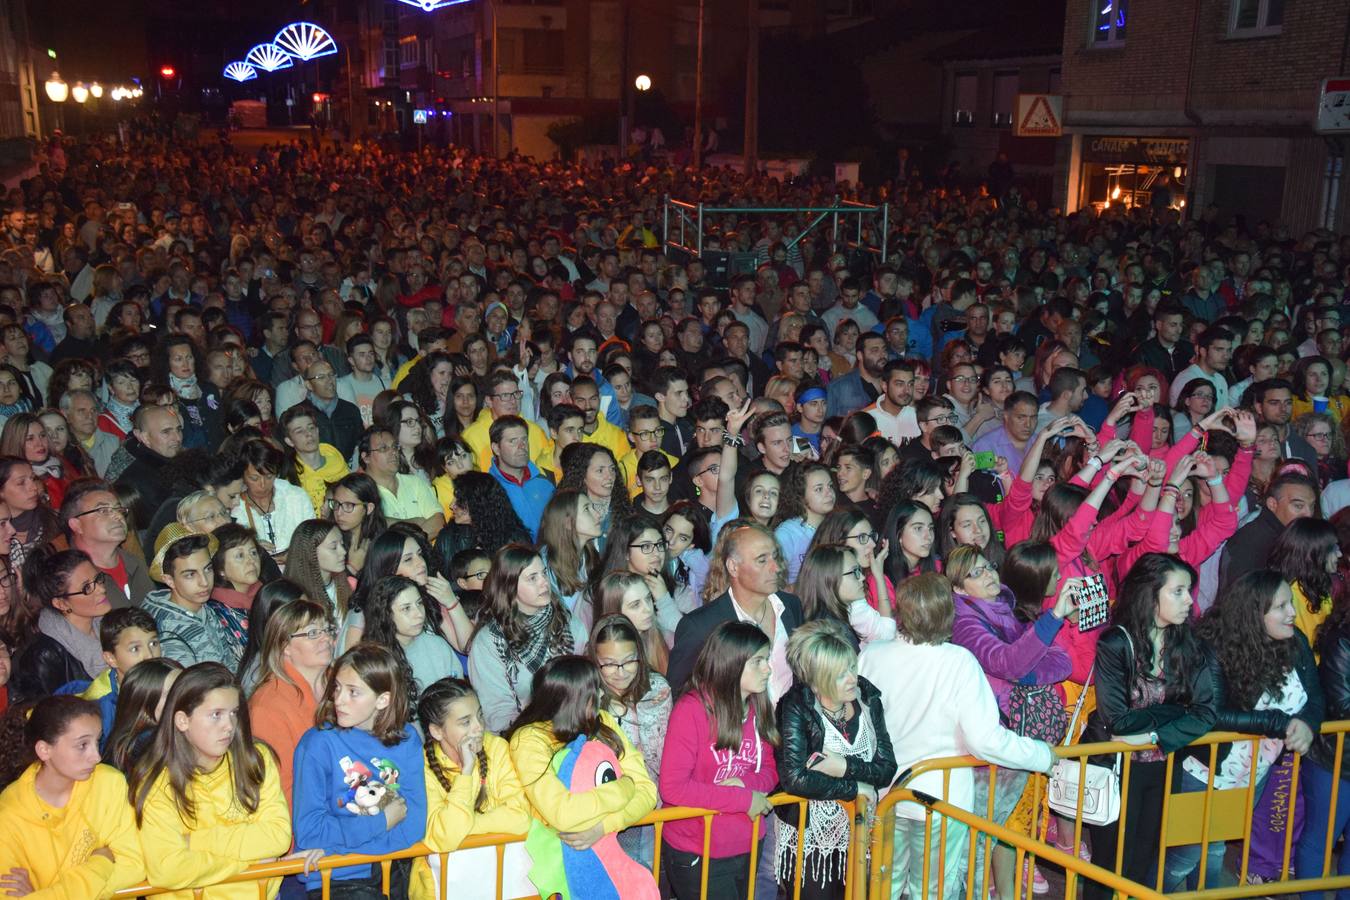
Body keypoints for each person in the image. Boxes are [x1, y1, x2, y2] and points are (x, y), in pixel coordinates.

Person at [859, 573, 1056, 900]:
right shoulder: (959, 662)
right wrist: (1042, 755)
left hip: (886, 793)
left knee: (884, 886)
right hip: (940, 800)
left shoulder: (871, 655)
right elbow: (985, 740)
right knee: (934, 890)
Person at [1166, 570, 1322, 891]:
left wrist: (1307, 723)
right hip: (1204, 770)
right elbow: (1213, 714)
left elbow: (1316, 696)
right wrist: (1277, 723)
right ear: (1254, 614)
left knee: (1216, 848)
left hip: (1254, 773)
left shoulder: (1297, 643)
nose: (1292, 613)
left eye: (1289, 604)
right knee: (1185, 857)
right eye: (1281, 607)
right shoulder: (1214, 648)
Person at [1083, 554, 1218, 898]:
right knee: (1108, 866)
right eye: (1178, 591)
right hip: (1117, 768)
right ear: (1150, 594)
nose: (1189, 600)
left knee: (1145, 861)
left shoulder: (1190, 644)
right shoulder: (1117, 642)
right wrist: (1177, 712)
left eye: (1189, 591)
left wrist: (1156, 734)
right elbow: (1118, 720)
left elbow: (1206, 712)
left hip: (1163, 763)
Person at [128, 662, 293, 900]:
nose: (229, 726)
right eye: (216, 715)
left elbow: (278, 837)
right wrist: (245, 866)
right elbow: (167, 869)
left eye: (233, 713)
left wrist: (195, 841)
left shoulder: (254, 759)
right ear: (182, 721)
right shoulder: (155, 781)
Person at [292, 643, 428, 897]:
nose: (339, 699)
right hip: (339, 876)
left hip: (394, 866)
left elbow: (414, 825)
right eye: (337, 688)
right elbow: (310, 832)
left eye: (353, 692)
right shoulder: (317, 744)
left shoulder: (407, 738)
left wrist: (336, 845)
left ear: (383, 700)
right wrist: (382, 821)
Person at [774, 619, 897, 900]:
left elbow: (887, 768)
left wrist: (841, 766)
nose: (853, 678)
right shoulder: (795, 705)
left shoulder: (868, 697)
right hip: (809, 838)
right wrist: (856, 788)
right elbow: (795, 779)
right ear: (817, 680)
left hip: (859, 831)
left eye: (853, 667)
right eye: (841, 674)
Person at [507, 655, 658, 879]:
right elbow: (563, 813)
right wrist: (625, 787)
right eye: (592, 692)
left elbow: (647, 791)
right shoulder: (529, 739)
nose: (601, 695)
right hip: (557, 868)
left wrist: (604, 826)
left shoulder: (603, 722)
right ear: (571, 700)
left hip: (611, 857)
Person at [659, 621, 780, 899]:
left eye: (767, 659)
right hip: (698, 850)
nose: (768, 669)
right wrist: (743, 798)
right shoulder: (691, 710)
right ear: (732, 664)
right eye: (758, 661)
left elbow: (771, 771)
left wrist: (745, 783)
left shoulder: (758, 705)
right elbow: (673, 787)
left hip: (748, 843)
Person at [0, 695, 146, 898]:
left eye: (97, 741)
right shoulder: (9, 812)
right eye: (82, 745)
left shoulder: (109, 783)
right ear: (44, 750)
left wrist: (45, 895)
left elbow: (134, 865)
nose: (96, 756)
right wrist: (101, 862)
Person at [414, 677, 533, 900]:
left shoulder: (496, 747)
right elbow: (446, 836)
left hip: (505, 884)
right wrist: (466, 771)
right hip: (445, 888)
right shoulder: (420, 766)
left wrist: (468, 825)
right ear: (437, 731)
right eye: (465, 722)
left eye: (479, 715)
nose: (479, 727)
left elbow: (520, 818)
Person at [667, 522, 805, 696]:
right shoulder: (700, 627)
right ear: (733, 567)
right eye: (762, 560)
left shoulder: (791, 606)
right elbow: (681, 698)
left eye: (775, 557)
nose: (775, 568)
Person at [468, 544, 589, 731]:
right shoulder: (490, 642)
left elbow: (586, 678)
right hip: (524, 735)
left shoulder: (566, 621)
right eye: (532, 578)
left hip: (576, 722)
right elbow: (498, 712)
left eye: (544, 573)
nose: (544, 582)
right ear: (509, 586)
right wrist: (544, 731)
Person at [246, 599, 335, 803]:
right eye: (313, 633)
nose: (326, 639)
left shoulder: (341, 682)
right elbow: (283, 792)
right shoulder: (266, 708)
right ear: (285, 646)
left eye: (327, 629)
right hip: (310, 820)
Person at [10, 545, 112, 703]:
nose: (101, 589)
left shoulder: (111, 626)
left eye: (98, 579)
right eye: (87, 588)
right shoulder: (44, 656)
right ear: (61, 604)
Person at [141, 526, 248, 668]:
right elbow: (189, 687)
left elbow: (229, 663)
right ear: (169, 580)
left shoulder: (203, 608)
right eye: (190, 574)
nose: (204, 582)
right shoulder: (167, 632)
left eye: (208, 569)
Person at [364, 573, 464, 692]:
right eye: (406, 608)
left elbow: (459, 692)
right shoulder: (373, 660)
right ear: (386, 615)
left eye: (419, 603)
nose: (419, 614)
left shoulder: (437, 645)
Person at [102, 658, 183, 773]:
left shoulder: (128, 740)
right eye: (172, 693)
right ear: (143, 705)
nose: (185, 696)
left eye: (185, 687)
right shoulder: (148, 744)